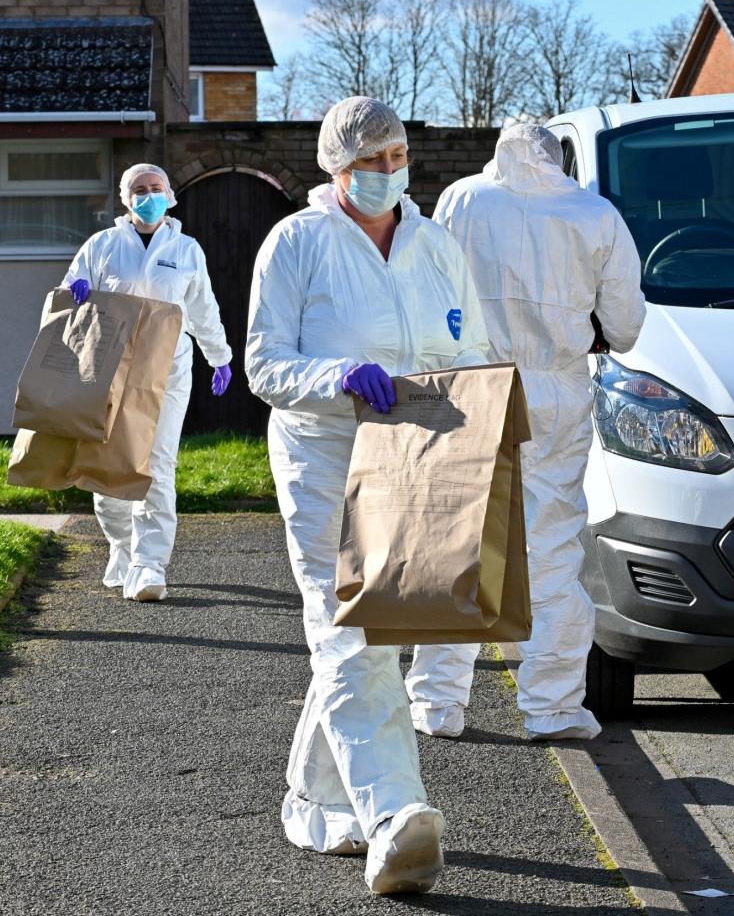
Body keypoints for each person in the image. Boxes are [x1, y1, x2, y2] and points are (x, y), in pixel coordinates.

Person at [245, 97, 489, 894]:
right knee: (354, 630)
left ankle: (316, 801)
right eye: (370, 161)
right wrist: (335, 377)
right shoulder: (297, 243)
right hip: (327, 460)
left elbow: (477, 352)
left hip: (419, 462)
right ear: (335, 167)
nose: (388, 173)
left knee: (367, 636)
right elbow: (264, 364)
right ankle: (396, 815)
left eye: (397, 156)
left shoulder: (436, 244)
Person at [412, 124, 645, 742]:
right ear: (560, 157)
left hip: (471, 384)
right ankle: (553, 707)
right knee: (552, 546)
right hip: (554, 390)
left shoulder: (463, 198)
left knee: (460, 541)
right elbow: (625, 326)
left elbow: (432, 288)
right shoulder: (593, 214)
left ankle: (437, 704)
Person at [64, 162, 233, 602]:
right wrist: (76, 290)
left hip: (168, 370)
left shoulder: (187, 248)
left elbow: (202, 308)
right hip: (109, 369)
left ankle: (149, 564)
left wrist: (220, 357)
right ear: (125, 198)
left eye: (156, 187)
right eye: (140, 189)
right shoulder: (101, 246)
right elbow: (67, 294)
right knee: (108, 466)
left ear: (171, 194)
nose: (149, 195)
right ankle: (121, 546)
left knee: (157, 466)